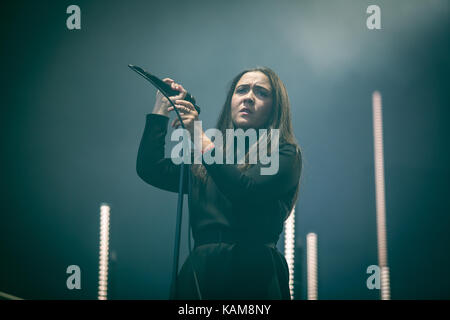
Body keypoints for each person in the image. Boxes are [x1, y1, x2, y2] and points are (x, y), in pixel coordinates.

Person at [136, 67, 302, 299]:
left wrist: (199, 137)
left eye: (261, 92)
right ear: (230, 101)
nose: (248, 97)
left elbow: (245, 190)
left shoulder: (284, 153)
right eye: (241, 90)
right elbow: (151, 169)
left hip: (254, 274)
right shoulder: (206, 159)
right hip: (200, 272)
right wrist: (161, 109)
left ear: (276, 107)